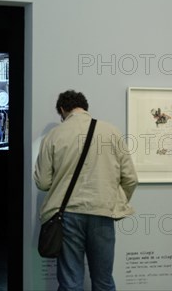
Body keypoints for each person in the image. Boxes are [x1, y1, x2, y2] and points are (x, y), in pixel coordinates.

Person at [34, 90, 138, 291]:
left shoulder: (54, 135)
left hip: (67, 216)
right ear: (85, 107)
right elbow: (131, 178)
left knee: (71, 282)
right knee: (104, 280)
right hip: (102, 212)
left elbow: (43, 183)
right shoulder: (111, 132)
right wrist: (115, 202)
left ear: (63, 110)